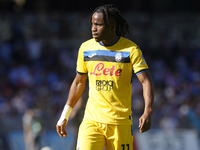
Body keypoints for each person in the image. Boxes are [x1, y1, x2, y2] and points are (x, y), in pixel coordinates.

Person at [56, 4, 154, 150]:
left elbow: (146, 81)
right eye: (92, 24)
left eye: (98, 24)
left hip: (120, 123)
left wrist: (148, 111)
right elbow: (78, 83)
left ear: (112, 26)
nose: (93, 28)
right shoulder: (86, 49)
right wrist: (65, 115)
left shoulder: (131, 50)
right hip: (92, 120)